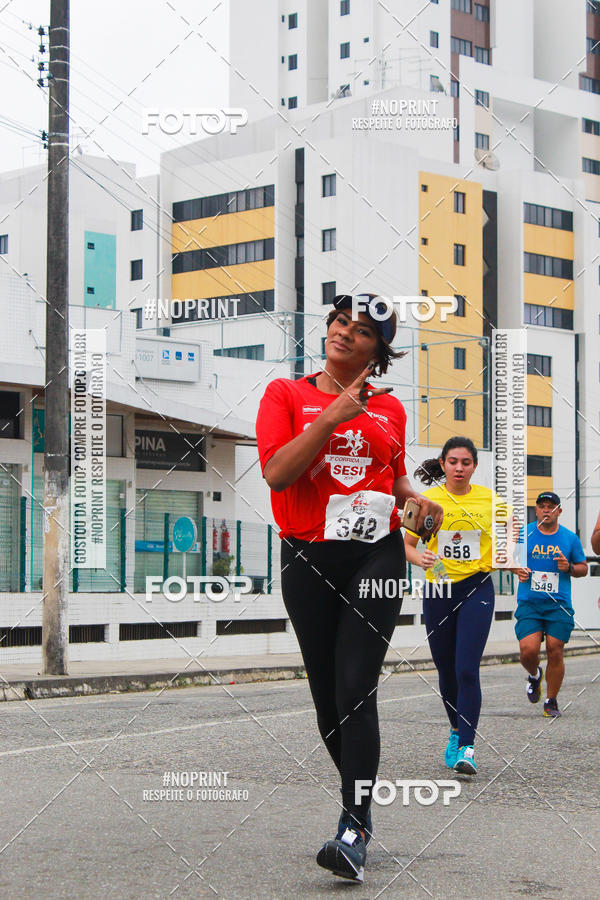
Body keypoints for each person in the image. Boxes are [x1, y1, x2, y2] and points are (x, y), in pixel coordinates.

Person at [255, 294, 443, 884]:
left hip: (375, 553)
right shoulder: (285, 395)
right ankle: (359, 803)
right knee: (328, 699)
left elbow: (392, 479)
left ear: (377, 351)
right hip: (307, 556)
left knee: (356, 688)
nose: (344, 332)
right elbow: (278, 474)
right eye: (340, 321)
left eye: (360, 330)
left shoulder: (389, 409)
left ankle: (352, 828)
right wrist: (331, 416)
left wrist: (418, 503)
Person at [404, 436, 500, 776]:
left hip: (477, 587)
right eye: (453, 462)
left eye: (466, 462)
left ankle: (468, 748)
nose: (459, 468)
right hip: (439, 589)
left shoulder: (492, 500)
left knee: (466, 669)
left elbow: (510, 538)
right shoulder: (424, 501)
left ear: (475, 466)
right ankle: (457, 730)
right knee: (446, 670)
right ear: (443, 464)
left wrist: (512, 561)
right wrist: (420, 558)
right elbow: (406, 545)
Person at [512, 492, 587, 717]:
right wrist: (516, 569)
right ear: (536, 510)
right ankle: (535, 675)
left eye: (551, 507)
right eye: (542, 506)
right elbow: (505, 560)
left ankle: (551, 701)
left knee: (555, 649)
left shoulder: (570, 538)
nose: (547, 510)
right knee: (528, 651)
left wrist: (569, 568)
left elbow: (583, 567)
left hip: (559, 604)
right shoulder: (524, 534)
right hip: (530, 602)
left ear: (559, 511)